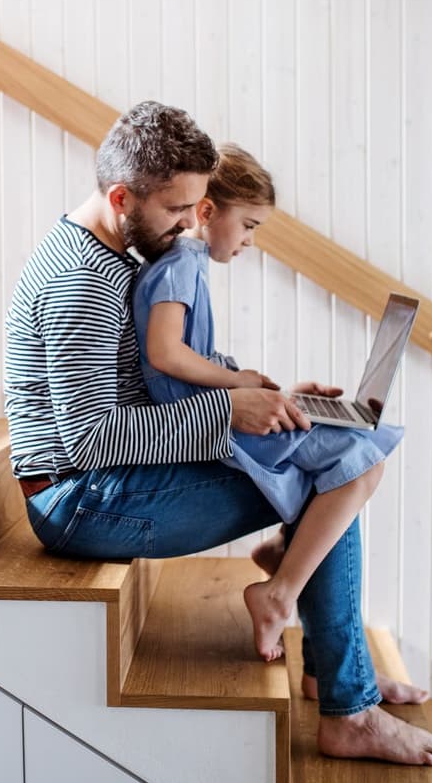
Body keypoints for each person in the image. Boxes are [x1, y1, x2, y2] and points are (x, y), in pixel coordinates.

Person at [3, 100, 432, 767]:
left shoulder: (115, 250)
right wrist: (230, 414)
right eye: (177, 209)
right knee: (331, 472)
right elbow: (90, 440)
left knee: (327, 455)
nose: (191, 221)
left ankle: (334, 672)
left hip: (112, 479)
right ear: (122, 197)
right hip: (80, 500)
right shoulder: (82, 281)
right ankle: (349, 707)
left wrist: (269, 402)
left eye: (196, 205)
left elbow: (156, 385)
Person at [131, 143, 404, 664]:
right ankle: (279, 593)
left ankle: (283, 551)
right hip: (207, 422)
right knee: (362, 463)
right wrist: (238, 382)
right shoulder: (181, 264)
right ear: (207, 211)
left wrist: (267, 391)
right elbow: (165, 353)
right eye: (249, 225)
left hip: (216, 408)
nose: (250, 241)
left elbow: (186, 353)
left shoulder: (186, 263)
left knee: (350, 448)